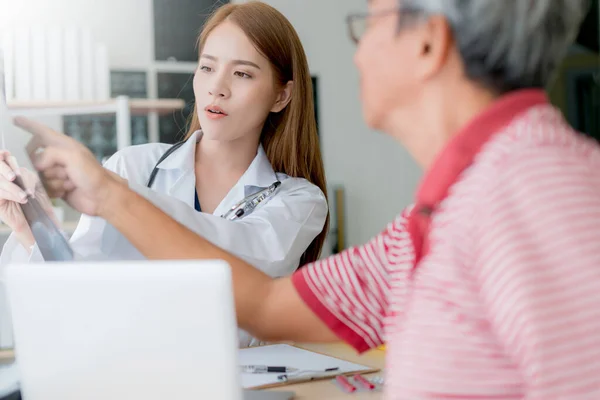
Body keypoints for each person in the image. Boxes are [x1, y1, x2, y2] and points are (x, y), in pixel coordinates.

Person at [13, 0, 600, 398]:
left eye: (367, 24)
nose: (358, 52)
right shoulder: (440, 216)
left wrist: (113, 195)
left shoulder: (537, 192)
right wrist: (48, 217)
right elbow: (266, 304)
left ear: (427, 44)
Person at [0, 2, 329, 348]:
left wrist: (117, 196)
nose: (217, 88)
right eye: (207, 67)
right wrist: (32, 226)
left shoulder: (299, 200)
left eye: (242, 73)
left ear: (281, 96)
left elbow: (239, 260)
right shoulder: (132, 167)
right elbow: (79, 288)